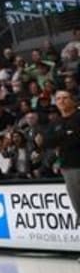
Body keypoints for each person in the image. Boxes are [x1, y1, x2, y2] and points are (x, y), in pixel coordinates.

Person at [43, 90, 79, 219]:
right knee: (77, 205)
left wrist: (61, 139)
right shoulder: (55, 122)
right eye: (58, 98)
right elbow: (46, 142)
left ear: (73, 101)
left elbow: (76, 139)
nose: (61, 101)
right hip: (68, 166)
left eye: (65, 97)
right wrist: (66, 135)